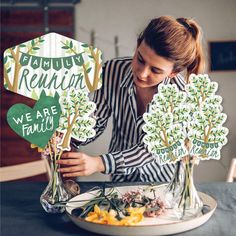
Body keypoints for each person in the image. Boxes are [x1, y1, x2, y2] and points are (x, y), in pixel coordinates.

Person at [57, 16, 205, 182]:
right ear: (137, 45)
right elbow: (95, 123)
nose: (142, 73)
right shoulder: (112, 71)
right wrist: (68, 135)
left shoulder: (181, 97)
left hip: (165, 184)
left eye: (155, 70)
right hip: (120, 180)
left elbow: (150, 149)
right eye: (140, 59)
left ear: (173, 73)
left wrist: (99, 163)